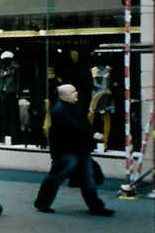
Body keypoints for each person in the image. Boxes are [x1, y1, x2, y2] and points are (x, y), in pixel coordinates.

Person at [34, 84, 113, 216]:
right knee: (57, 177)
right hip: (66, 152)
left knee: (87, 178)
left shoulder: (74, 107)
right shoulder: (59, 111)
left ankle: (96, 207)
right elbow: (73, 127)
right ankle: (42, 203)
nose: (76, 93)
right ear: (64, 96)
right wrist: (92, 135)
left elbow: (82, 126)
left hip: (79, 150)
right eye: (73, 92)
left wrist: (90, 135)